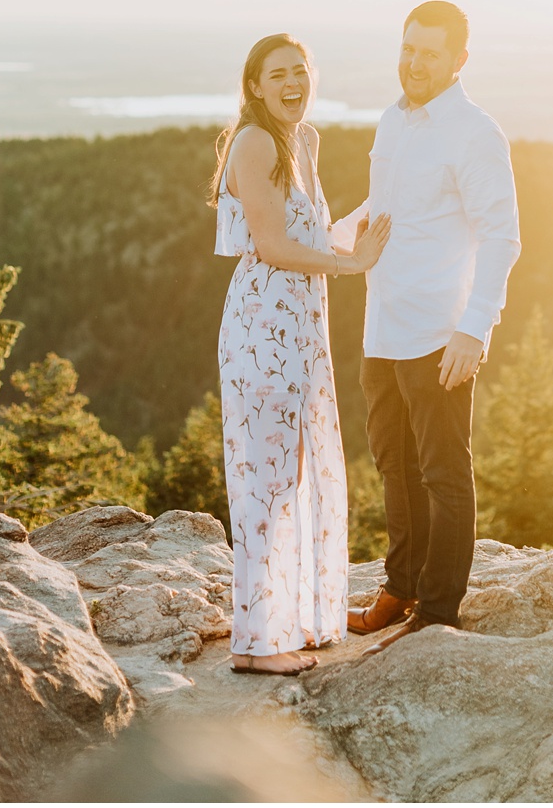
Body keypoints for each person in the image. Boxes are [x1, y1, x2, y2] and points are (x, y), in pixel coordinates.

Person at [333, 1, 521, 653]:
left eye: (429, 53)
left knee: (442, 470)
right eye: (408, 48)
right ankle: (401, 585)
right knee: (393, 462)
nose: (414, 62)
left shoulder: (474, 133)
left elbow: (501, 236)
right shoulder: (393, 118)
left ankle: (438, 612)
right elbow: (386, 205)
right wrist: (331, 237)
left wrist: (475, 329)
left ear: (458, 61)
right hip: (381, 323)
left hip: (441, 329)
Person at [210, 33, 390, 676]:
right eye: (277, 74)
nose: (293, 83)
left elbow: (309, 233)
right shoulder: (254, 142)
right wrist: (354, 266)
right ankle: (257, 645)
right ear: (254, 86)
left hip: (303, 331)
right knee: (266, 479)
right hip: (263, 328)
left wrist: (362, 233)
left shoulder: (304, 140)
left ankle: (295, 618)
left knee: (298, 474)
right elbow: (274, 245)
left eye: (301, 71)